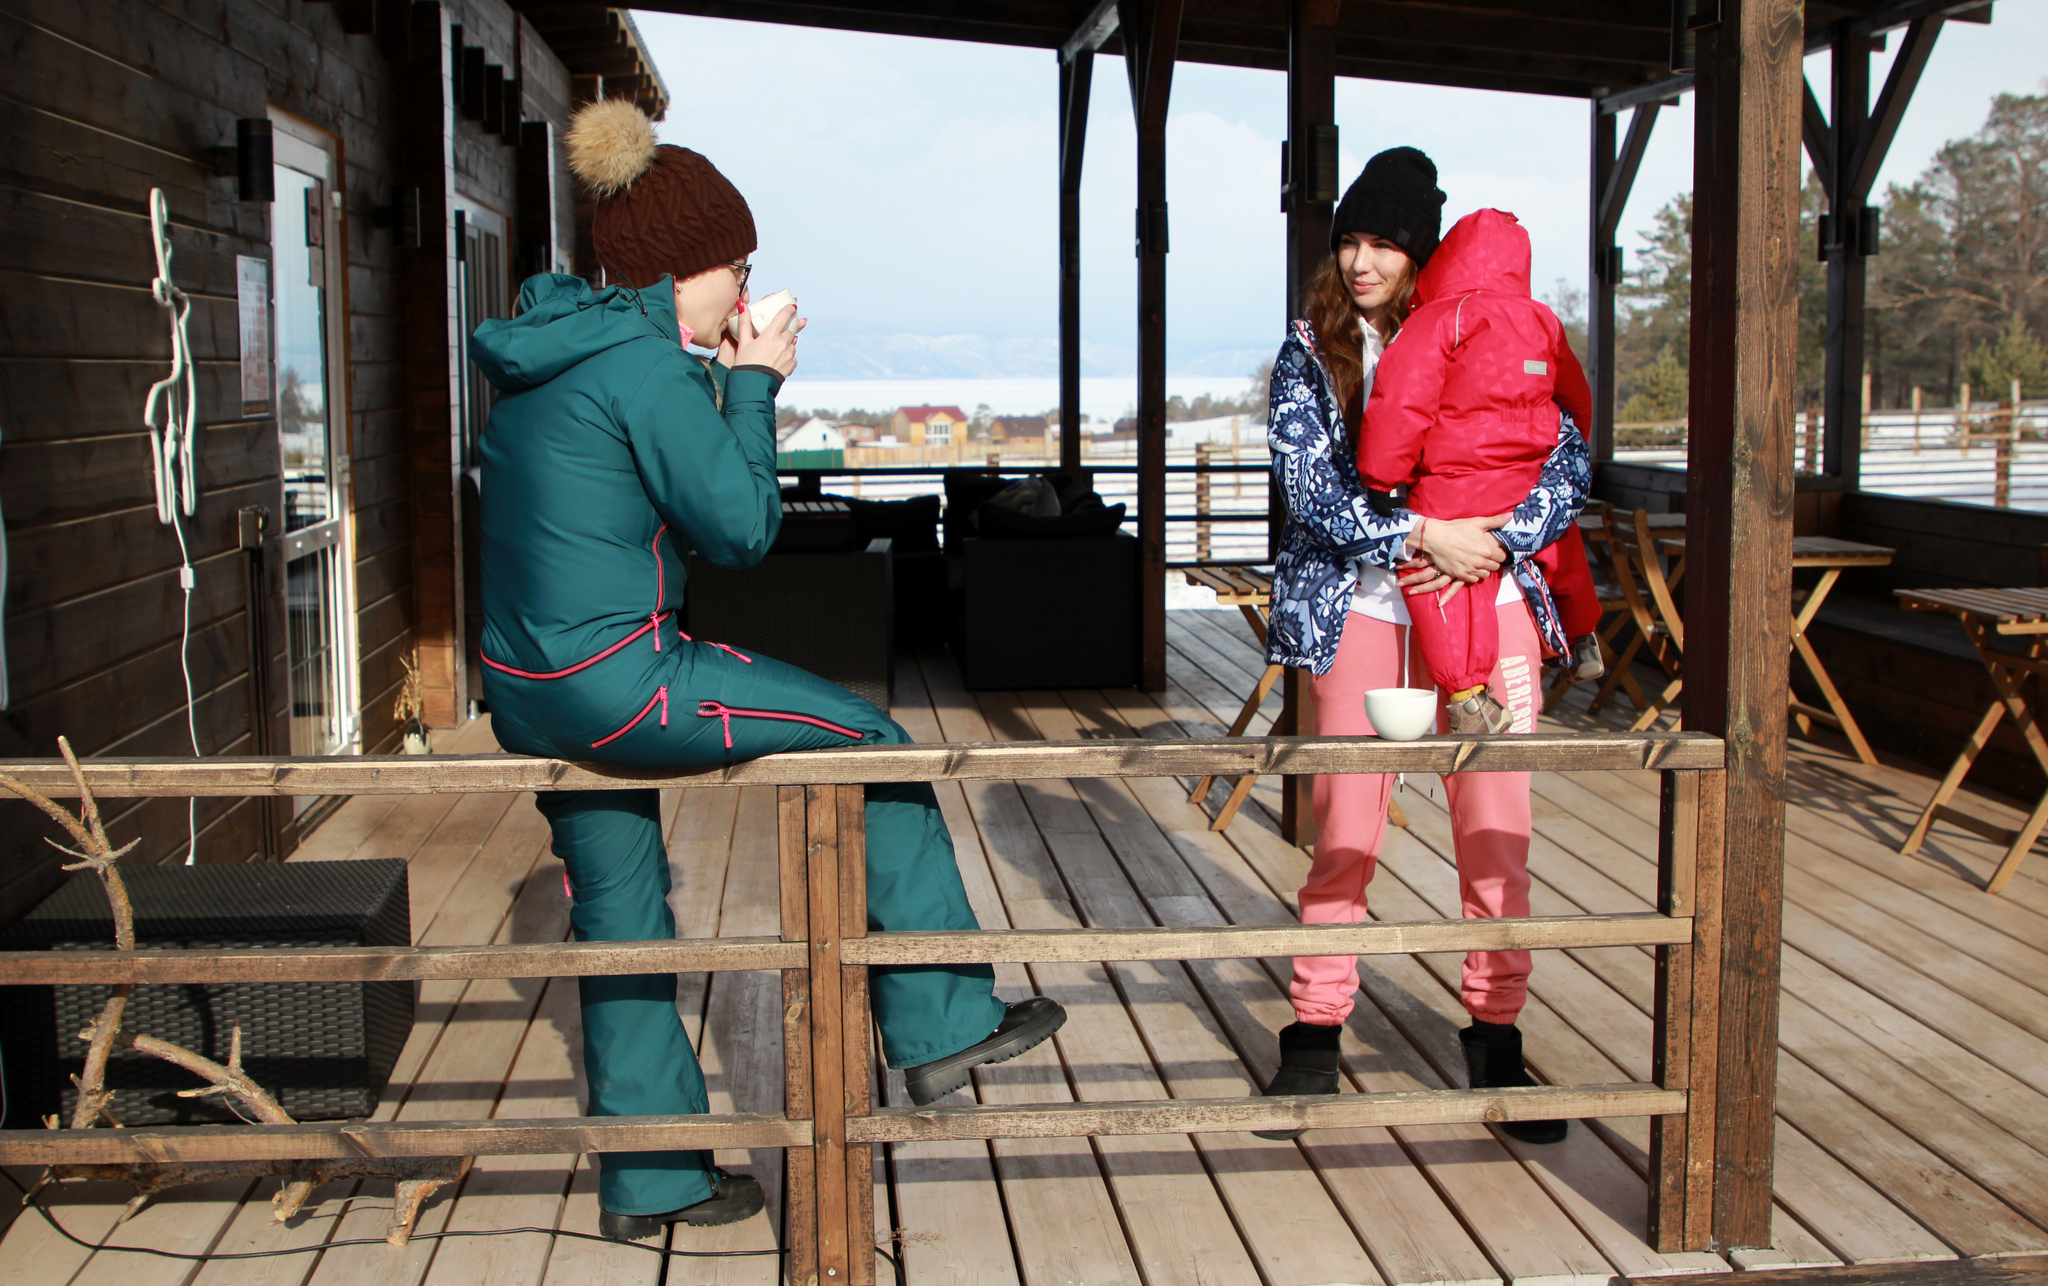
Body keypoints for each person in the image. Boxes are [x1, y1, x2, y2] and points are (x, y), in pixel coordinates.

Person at [468, 99, 1065, 1242]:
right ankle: (942, 1021)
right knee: (872, 738)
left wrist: (721, 380)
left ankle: (655, 1176)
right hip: (621, 680)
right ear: (683, 267)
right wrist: (752, 383)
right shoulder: (643, 368)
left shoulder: (549, 352)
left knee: (620, 917)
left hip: (527, 691)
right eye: (736, 269)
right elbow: (740, 529)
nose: (743, 292)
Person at [1257, 147, 1591, 1144]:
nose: (1361, 261)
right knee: (1343, 831)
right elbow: (1310, 490)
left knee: (1496, 830)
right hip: (1364, 613)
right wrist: (1420, 534)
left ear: (1421, 252)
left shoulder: (1495, 327)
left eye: (1384, 243)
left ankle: (1496, 1031)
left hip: (1490, 607)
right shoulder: (1311, 353)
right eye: (1348, 242)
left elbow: (1568, 458)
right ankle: (1315, 1030)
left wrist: (1500, 539)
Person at [1358, 207, 1607, 734]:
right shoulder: (1543, 321)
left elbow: (1400, 404)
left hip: (1454, 481)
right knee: (1562, 548)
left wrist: (1381, 478)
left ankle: (1468, 693)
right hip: (1525, 476)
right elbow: (1576, 397)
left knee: (1443, 583)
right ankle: (1582, 634)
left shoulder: (1439, 319)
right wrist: (1572, 438)